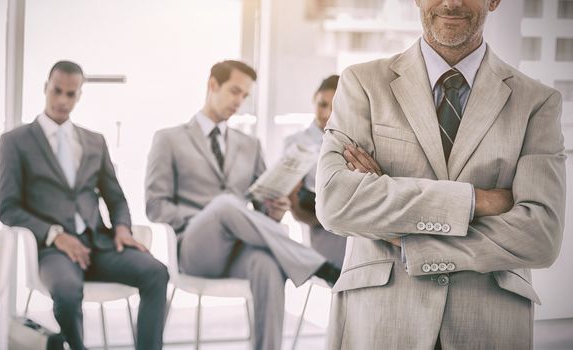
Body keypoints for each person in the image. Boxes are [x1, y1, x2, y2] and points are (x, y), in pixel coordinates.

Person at [315, 1, 565, 349]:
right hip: (379, 319)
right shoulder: (363, 83)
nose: (451, 2)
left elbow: (541, 235)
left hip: (488, 323)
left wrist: (412, 242)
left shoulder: (537, 102)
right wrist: (477, 201)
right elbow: (336, 202)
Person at [145, 60, 341, 350]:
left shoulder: (250, 145)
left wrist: (275, 209)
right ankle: (319, 265)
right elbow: (155, 205)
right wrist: (211, 215)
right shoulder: (169, 139)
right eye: (234, 91)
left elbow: (262, 206)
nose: (239, 101)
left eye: (245, 96)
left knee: (269, 266)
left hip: (240, 248)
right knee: (224, 205)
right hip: (195, 248)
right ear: (213, 85)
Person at [0, 61, 168, 350]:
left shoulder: (94, 141)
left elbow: (115, 197)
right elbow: (8, 207)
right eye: (57, 91)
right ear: (45, 88)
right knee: (66, 290)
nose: (62, 100)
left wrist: (123, 229)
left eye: (70, 94)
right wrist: (55, 235)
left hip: (100, 246)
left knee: (156, 272)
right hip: (54, 252)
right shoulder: (15, 142)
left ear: (79, 96)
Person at [284, 75, 346, 268]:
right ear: (314, 101)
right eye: (322, 105)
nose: (327, 114)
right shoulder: (295, 143)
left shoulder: (350, 141)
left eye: (334, 108)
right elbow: (294, 206)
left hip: (351, 221)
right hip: (319, 226)